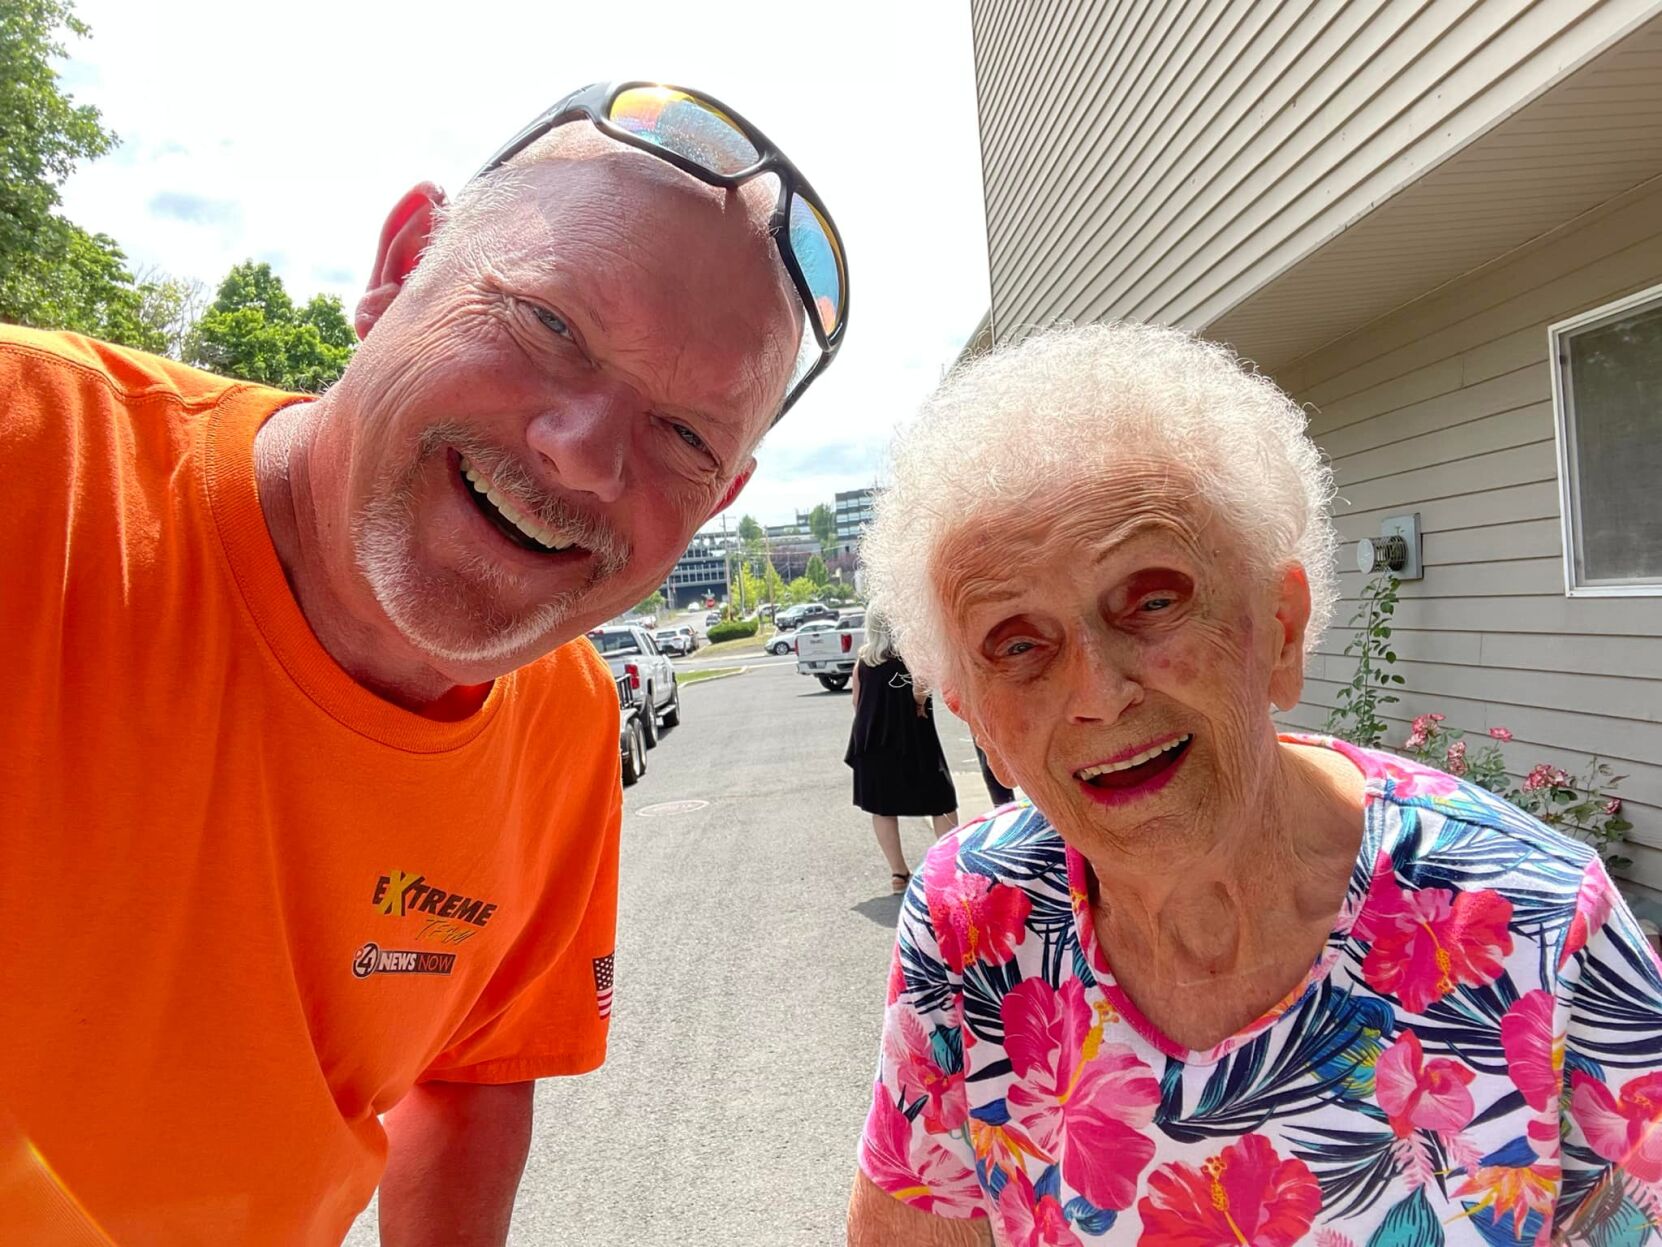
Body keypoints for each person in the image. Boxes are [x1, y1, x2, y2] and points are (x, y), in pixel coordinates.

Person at [0, 81, 846, 1245]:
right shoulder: (33, 460)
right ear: (401, 264)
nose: (585, 455)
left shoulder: (564, 719)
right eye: (551, 324)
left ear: (725, 502)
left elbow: (475, 1070)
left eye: (687, 436)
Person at [846, 323, 1662, 1245]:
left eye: (1152, 600)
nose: (1100, 695)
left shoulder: (1539, 929)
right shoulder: (971, 922)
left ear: (1279, 627)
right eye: (1019, 644)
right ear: (975, 716)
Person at [846, 613, 960, 892]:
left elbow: (856, 702)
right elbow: (920, 690)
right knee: (941, 801)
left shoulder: (865, 661)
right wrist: (918, 705)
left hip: (873, 741)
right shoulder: (912, 655)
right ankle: (947, 869)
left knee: (882, 807)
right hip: (913, 738)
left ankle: (898, 874)